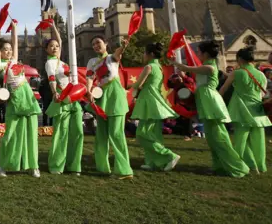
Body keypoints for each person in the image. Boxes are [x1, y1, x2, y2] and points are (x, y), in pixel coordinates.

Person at [171, 40, 249, 177]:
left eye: (199, 52)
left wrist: (177, 63)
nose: (198, 54)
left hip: (210, 101)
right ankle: (220, 167)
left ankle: (237, 168)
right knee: (213, 138)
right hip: (206, 100)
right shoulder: (206, 66)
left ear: (206, 53)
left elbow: (190, 69)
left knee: (219, 137)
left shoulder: (210, 67)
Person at [0, 21, 42, 178]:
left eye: (9, 50)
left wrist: (14, 29)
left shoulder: (14, 61)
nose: (8, 52)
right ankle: (3, 165)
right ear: (0, 51)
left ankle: (33, 166)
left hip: (28, 97)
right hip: (15, 99)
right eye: (5, 49)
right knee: (10, 135)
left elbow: (15, 44)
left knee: (31, 135)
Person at [86, 36, 133, 179]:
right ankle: (102, 167)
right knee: (101, 135)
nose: (95, 45)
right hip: (101, 98)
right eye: (93, 44)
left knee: (116, 134)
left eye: (98, 42)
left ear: (105, 44)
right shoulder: (92, 62)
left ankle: (124, 171)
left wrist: (123, 46)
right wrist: (88, 91)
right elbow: (89, 77)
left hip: (115, 96)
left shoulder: (112, 58)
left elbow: (118, 53)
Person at [219, 46, 271, 174]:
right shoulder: (261, 75)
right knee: (259, 140)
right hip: (257, 110)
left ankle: (240, 164)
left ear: (240, 59)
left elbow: (223, 90)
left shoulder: (237, 72)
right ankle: (260, 165)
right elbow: (262, 94)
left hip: (241, 109)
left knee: (241, 139)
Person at [130, 42, 180, 171]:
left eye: (145, 53)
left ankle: (169, 155)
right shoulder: (159, 67)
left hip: (149, 100)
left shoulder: (149, 67)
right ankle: (152, 162)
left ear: (150, 54)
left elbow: (137, 85)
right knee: (154, 133)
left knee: (142, 133)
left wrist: (126, 87)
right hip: (155, 100)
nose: (143, 56)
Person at [44, 19, 83, 175]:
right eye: (51, 46)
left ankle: (74, 166)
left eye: (57, 46)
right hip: (62, 97)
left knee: (78, 133)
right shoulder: (50, 63)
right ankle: (56, 165)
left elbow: (60, 39)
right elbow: (51, 78)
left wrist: (54, 27)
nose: (55, 47)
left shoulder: (61, 60)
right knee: (61, 133)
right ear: (46, 49)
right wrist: (55, 93)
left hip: (73, 98)